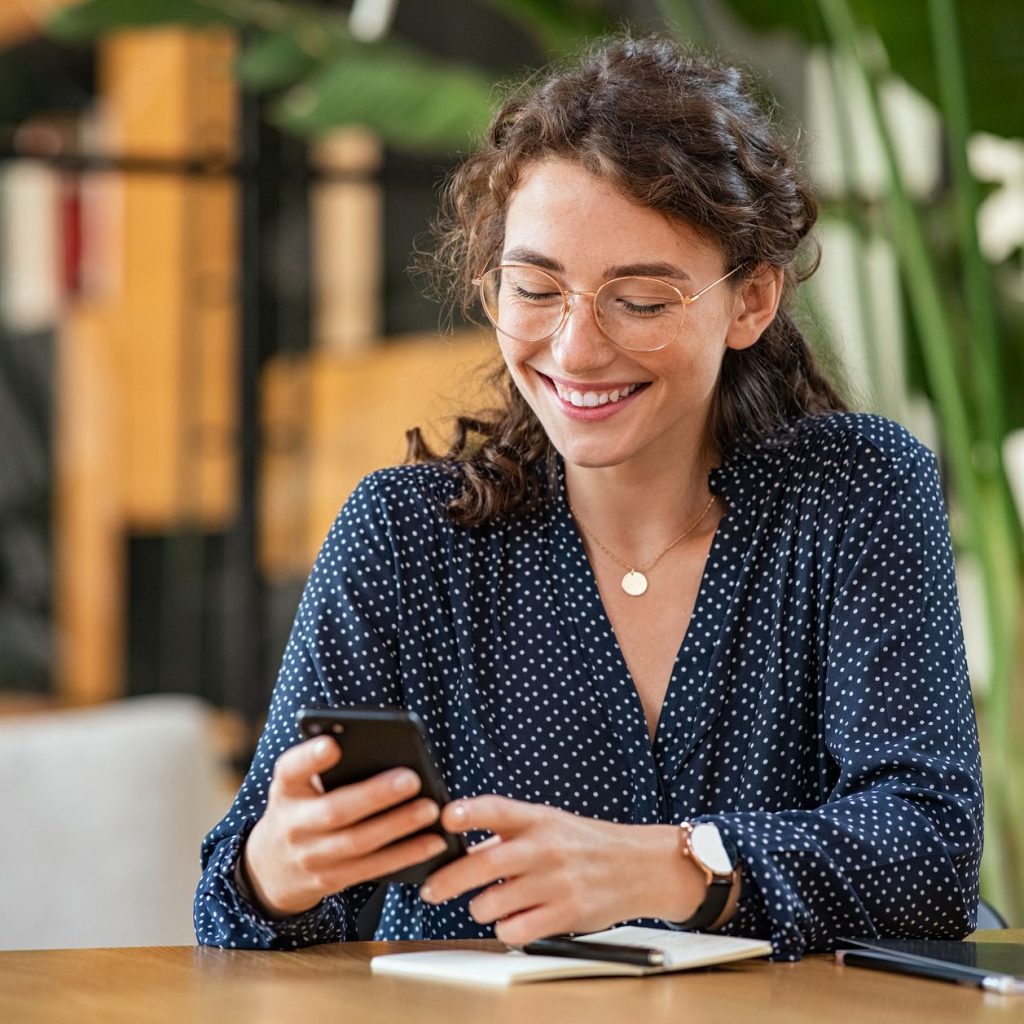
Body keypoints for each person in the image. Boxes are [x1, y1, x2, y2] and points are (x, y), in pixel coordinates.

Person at [194, 36, 982, 959]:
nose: (574, 351)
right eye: (535, 290)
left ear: (752, 300)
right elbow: (229, 916)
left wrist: (670, 866)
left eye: (641, 301)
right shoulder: (405, 538)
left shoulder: (853, 493)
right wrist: (278, 870)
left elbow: (931, 853)